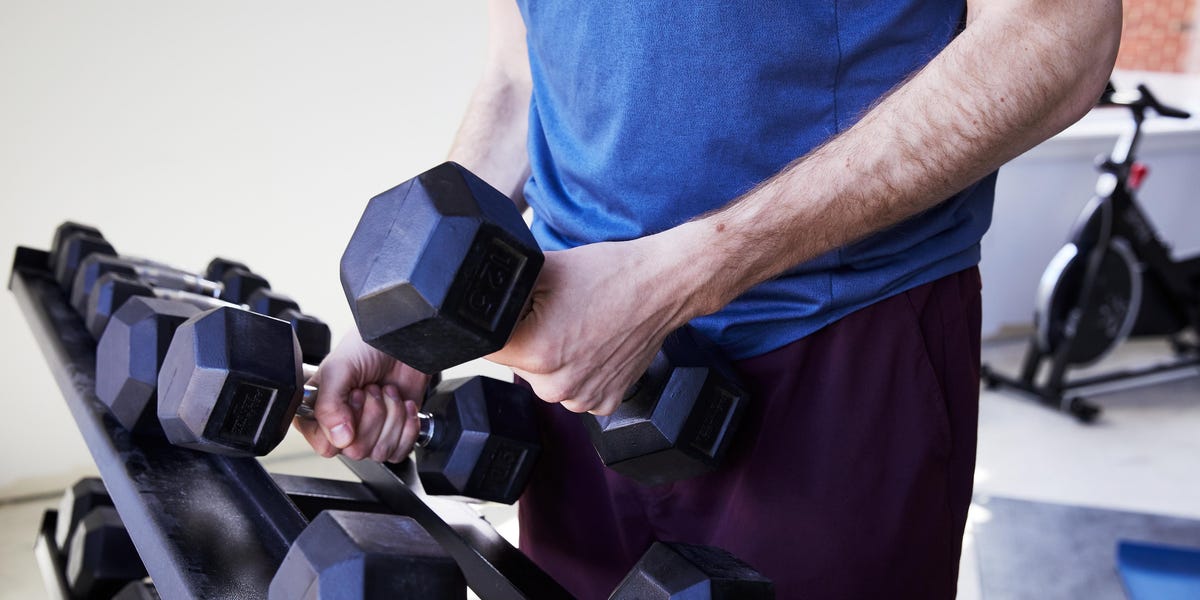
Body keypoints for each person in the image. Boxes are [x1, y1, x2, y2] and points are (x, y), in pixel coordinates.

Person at [297, 0, 1121, 597]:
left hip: (829, 339)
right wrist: (423, 317)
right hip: (570, 348)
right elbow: (520, 75)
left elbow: (1057, 33)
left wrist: (668, 282)